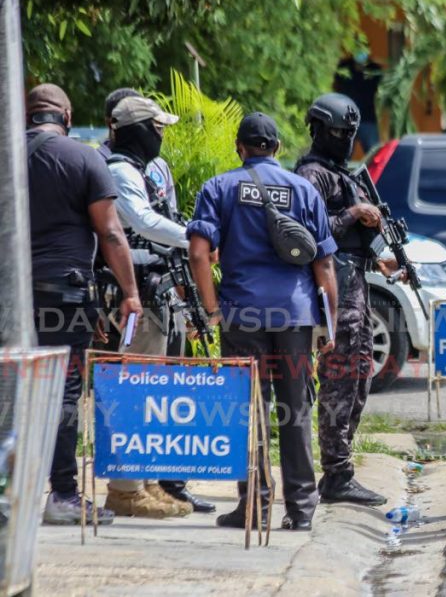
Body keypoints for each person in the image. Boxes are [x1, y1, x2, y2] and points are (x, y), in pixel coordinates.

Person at [188, 112, 339, 531]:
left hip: (242, 314)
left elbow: (199, 253)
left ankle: (253, 505)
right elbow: (324, 265)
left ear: (240, 147)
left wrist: (213, 308)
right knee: (295, 408)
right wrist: (330, 323)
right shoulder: (305, 189)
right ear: (275, 148)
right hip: (296, 315)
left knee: (248, 409)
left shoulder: (219, 187)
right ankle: (302, 511)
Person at [25, 83, 142, 526]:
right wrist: (131, 293)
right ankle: (63, 496)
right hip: (63, 297)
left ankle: (7, 495)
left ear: (27, 114)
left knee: (7, 391)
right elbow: (110, 233)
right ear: (67, 116)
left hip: (10, 296)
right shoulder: (83, 158)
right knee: (63, 394)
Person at [99, 88, 217, 515]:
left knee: (156, 392)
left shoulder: (147, 167)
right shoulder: (118, 170)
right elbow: (144, 224)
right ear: (134, 131)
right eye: (155, 129)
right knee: (135, 388)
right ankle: (126, 489)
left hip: (161, 291)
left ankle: (149, 482)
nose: (161, 136)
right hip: (137, 296)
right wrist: (195, 238)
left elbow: (165, 219)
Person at [293, 93, 391, 507]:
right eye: (338, 133)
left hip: (356, 287)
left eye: (350, 133)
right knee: (339, 381)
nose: (346, 140)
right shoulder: (312, 175)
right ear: (317, 130)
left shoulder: (343, 174)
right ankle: (337, 474)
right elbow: (305, 234)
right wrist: (354, 215)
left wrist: (377, 254)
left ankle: (341, 466)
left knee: (360, 378)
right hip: (334, 291)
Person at [333, 51, 382, 153]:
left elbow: (381, 92)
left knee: (375, 156)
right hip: (346, 119)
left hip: (368, 119)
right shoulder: (344, 67)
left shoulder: (375, 69)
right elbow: (335, 86)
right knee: (342, 155)